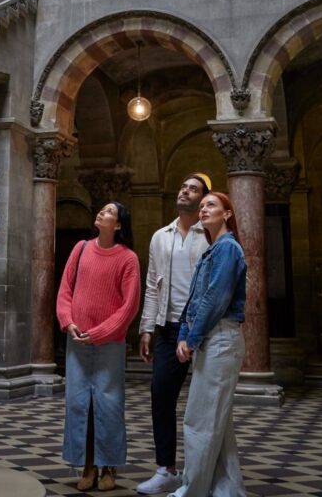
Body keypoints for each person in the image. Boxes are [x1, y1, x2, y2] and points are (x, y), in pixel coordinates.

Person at [56, 201, 141, 492]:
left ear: (118, 225)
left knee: (109, 405)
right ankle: (88, 465)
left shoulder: (128, 259)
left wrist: (101, 332)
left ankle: (110, 468)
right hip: (77, 342)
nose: (101, 214)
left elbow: (129, 307)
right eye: (102, 210)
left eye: (108, 212)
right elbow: (65, 290)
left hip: (108, 345)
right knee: (80, 405)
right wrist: (68, 322)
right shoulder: (80, 249)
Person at [136, 175, 211, 495]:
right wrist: (147, 326)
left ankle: (203, 474)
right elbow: (153, 283)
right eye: (183, 186)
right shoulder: (160, 237)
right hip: (167, 328)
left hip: (201, 328)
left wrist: (197, 330)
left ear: (204, 199)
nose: (185, 191)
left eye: (193, 189)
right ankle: (166, 469)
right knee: (160, 396)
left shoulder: (210, 236)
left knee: (204, 405)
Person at [171, 192, 247, 497]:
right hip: (213, 339)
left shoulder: (228, 249)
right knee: (219, 424)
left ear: (227, 214)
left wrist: (191, 338)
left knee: (200, 421)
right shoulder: (213, 250)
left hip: (220, 339)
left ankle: (191, 491)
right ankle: (229, 491)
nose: (203, 209)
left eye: (211, 205)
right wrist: (183, 335)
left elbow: (215, 299)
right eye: (201, 206)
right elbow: (194, 299)